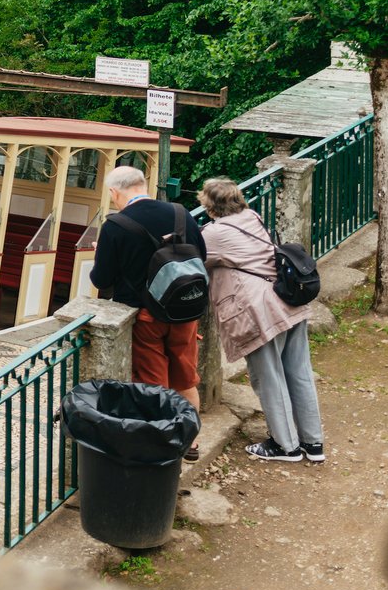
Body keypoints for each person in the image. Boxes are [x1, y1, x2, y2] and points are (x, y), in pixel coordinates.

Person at [197, 178, 325, 463]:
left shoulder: (214, 234)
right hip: (288, 302)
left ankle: (285, 446)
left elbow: (193, 255)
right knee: (299, 372)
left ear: (209, 205)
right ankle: (312, 443)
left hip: (260, 312)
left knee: (269, 377)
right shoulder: (252, 216)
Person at [90, 166, 206, 461]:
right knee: (185, 380)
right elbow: (200, 256)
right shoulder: (181, 213)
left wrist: (100, 253)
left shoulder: (116, 225)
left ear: (115, 192)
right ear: (143, 185)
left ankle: (162, 448)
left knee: (154, 386)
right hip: (185, 311)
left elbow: (101, 280)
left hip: (146, 317)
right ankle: (190, 442)